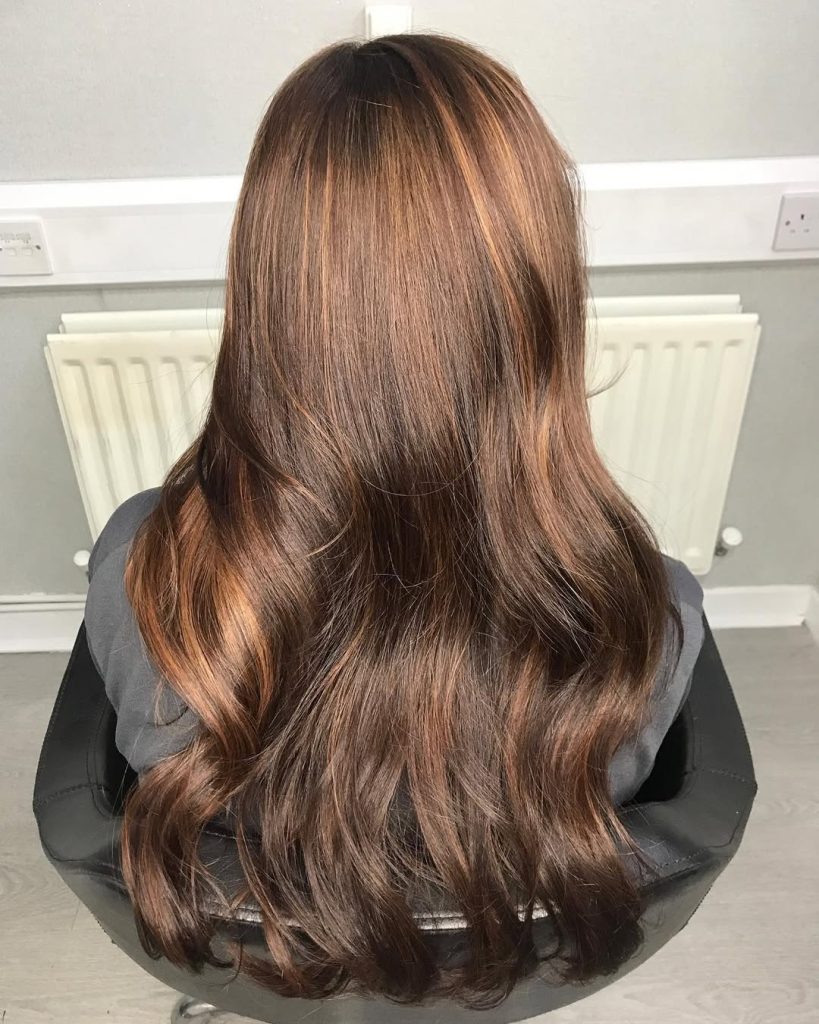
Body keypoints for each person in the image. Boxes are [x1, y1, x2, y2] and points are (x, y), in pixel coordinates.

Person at [84, 33, 704, 1007]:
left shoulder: (140, 569)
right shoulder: (648, 621)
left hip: (266, 977)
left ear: (269, 285)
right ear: (537, 297)